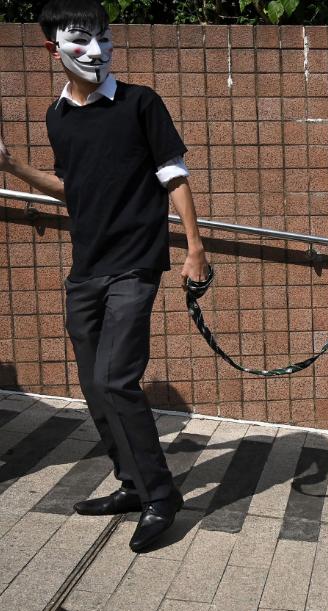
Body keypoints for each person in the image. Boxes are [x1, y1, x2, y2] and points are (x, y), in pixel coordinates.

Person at [0, 0, 208, 552]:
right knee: (95, 388)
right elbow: (74, 189)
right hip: (86, 268)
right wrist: (13, 168)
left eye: (104, 38)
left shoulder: (141, 103)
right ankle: (132, 485)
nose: (96, 51)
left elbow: (174, 177)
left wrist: (194, 248)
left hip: (135, 264)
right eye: (79, 41)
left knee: (118, 379)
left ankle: (162, 498)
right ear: (52, 49)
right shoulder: (57, 117)